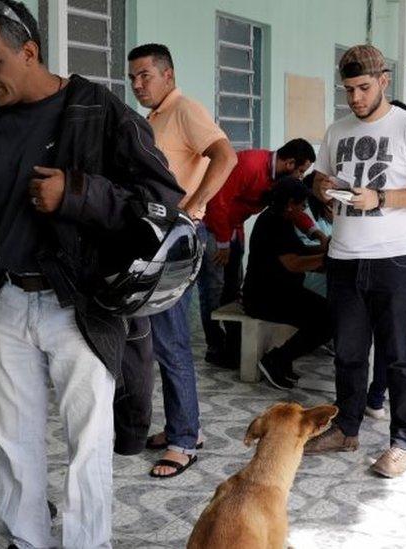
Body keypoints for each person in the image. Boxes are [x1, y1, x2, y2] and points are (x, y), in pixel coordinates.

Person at [0, 2, 184, 547]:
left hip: (80, 304)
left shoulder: (99, 110)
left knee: (87, 445)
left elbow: (162, 202)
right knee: (14, 444)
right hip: (10, 301)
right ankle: (26, 541)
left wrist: (78, 194)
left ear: (29, 51)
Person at [304, 44, 406, 479]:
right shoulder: (337, 129)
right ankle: (346, 427)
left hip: (396, 259)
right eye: (348, 90)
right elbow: (320, 179)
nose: (355, 98)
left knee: (399, 355)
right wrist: (322, 186)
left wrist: (380, 198)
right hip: (344, 257)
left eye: (363, 88)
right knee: (347, 353)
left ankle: (403, 441)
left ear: (383, 80)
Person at [127, 43, 238, 477]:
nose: (138, 84)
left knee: (171, 340)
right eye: (133, 77)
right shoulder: (155, 118)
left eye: (146, 76)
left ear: (168, 75)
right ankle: (185, 424)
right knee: (159, 340)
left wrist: (193, 207)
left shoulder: (185, 109)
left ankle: (183, 441)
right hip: (157, 238)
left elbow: (225, 156)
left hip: (178, 239)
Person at [201, 138, 320, 368]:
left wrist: (315, 232)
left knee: (233, 287)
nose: (300, 177)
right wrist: (224, 244)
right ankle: (215, 346)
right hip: (215, 227)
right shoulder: (250, 164)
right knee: (213, 289)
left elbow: (293, 207)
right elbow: (218, 201)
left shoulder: (280, 178)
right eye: (301, 171)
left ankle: (234, 347)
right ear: (290, 163)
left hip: (235, 227)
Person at [243, 178, 331, 389]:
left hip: (281, 292)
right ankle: (276, 360)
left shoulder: (280, 218)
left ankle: (280, 360)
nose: (303, 210)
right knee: (328, 319)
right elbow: (293, 263)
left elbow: (299, 251)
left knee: (328, 314)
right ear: (290, 203)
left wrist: (328, 249)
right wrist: (329, 260)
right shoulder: (273, 223)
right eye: (301, 205)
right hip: (266, 297)